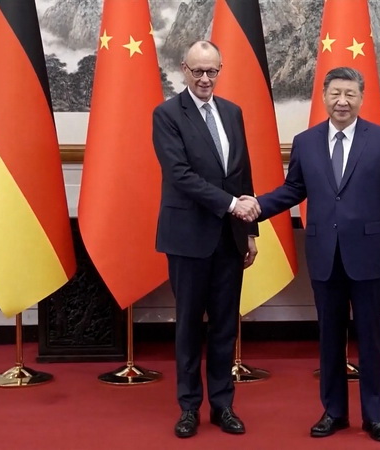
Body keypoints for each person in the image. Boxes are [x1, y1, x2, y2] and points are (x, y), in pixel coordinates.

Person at [247, 66, 380, 442]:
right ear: (323, 96)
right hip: (324, 254)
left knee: (371, 338)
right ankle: (334, 412)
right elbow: (293, 190)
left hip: (370, 255)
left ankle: (374, 416)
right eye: (335, 93)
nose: (342, 101)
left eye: (350, 94)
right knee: (329, 339)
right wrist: (255, 206)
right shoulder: (305, 142)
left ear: (361, 98)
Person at [151, 40, 261, 439]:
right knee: (188, 327)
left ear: (220, 70)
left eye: (212, 71)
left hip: (230, 239)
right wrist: (232, 205)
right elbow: (179, 175)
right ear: (184, 69)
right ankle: (188, 408)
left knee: (225, 326)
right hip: (188, 238)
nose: (204, 78)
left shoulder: (232, 112)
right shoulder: (167, 114)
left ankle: (222, 405)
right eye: (197, 71)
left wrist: (250, 231)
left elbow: (242, 173)